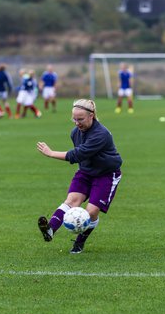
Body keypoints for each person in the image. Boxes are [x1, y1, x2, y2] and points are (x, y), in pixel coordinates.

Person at [37, 99, 122, 254]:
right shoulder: (75, 132)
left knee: (91, 212)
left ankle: (79, 242)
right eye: (74, 119)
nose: (77, 123)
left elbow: (78, 154)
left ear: (92, 116)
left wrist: (51, 153)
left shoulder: (100, 134)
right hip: (86, 172)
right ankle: (50, 230)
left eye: (80, 119)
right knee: (71, 201)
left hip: (106, 175)